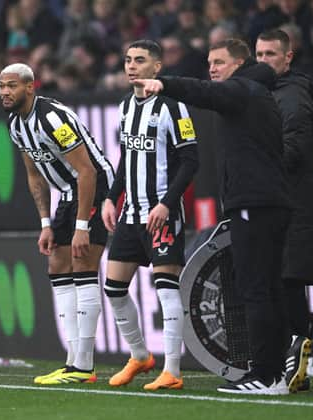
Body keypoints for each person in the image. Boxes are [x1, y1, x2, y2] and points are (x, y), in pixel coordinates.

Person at [134, 38, 291, 395]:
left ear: (238, 63)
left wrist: (166, 83)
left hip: (255, 202)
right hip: (268, 201)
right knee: (268, 287)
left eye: (219, 62)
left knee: (255, 288)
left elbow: (206, 93)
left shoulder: (243, 90)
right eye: (209, 62)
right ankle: (276, 373)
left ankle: (265, 374)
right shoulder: (258, 91)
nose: (213, 69)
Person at [0, 63, 114, 384]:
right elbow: (34, 175)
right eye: (1, 86)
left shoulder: (52, 117)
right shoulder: (15, 125)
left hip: (95, 187)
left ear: (30, 87)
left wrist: (81, 226)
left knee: (82, 263)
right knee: (57, 266)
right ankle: (72, 361)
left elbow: (88, 171)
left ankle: (84, 366)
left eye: (12, 86)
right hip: (66, 193)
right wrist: (46, 223)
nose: (5, 92)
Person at [101, 40, 199, 391]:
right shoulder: (127, 105)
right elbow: (127, 159)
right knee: (113, 288)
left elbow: (191, 161)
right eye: (127, 59)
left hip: (162, 214)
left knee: (166, 290)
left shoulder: (173, 105)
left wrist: (167, 204)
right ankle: (140, 356)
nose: (131, 66)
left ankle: (172, 369)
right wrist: (112, 198)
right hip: (130, 214)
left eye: (139, 60)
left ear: (157, 67)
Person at [256, 29, 313, 393]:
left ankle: (294, 363)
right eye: (259, 55)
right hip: (281, 204)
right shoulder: (273, 94)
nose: (264, 61)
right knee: (284, 285)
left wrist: (257, 165)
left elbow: (293, 150)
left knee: (288, 284)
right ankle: (295, 365)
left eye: (271, 55)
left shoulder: (292, 97)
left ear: (288, 57)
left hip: (290, 206)